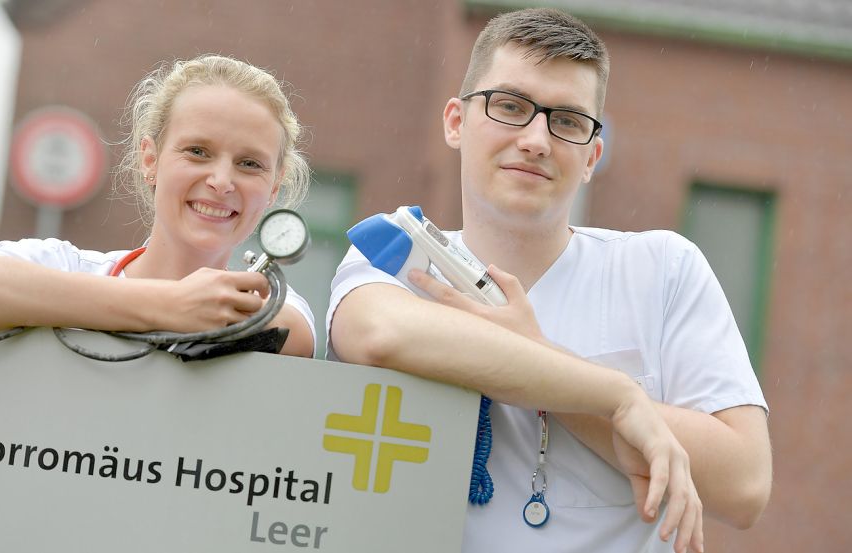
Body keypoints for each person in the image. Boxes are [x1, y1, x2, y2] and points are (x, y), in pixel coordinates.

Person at [326, 8, 770, 553]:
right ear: (456, 122)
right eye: (510, 106)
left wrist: (537, 355)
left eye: (567, 121)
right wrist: (617, 398)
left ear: (592, 156)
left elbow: (744, 486)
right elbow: (378, 335)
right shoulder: (397, 252)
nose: (537, 139)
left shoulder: (663, 269)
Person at [0, 54, 315, 359]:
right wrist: (170, 305)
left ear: (274, 187)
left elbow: (292, 336)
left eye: (250, 164)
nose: (222, 181)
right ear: (150, 159)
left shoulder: (274, 307)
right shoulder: (62, 266)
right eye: (197, 151)